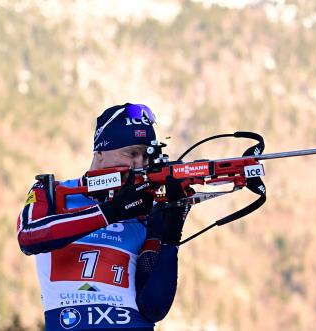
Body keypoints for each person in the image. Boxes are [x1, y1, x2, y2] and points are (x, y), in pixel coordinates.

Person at [17, 103, 190, 330]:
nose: (139, 164)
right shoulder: (51, 192)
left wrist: (171, 233)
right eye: (131, 153)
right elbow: (29, 236)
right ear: (100, 152)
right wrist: (112, 211)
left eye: (146, 156)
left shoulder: (146, 207)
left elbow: (154, 307)